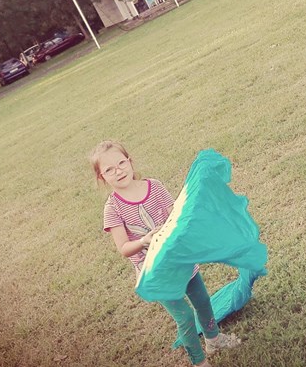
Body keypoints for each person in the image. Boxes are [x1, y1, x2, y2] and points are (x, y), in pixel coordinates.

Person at [91, 141, 240, 366]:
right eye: (109, 169)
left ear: (130, 161)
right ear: (101, 177)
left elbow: (176, 216)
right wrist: (144, 241)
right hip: (155, 273)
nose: (118, 171)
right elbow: (123, 248)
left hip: (180, 260)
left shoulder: (155, 187)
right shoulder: (113, 209)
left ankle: (214, 339)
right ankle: (199, 362)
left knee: (202, 301)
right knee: (185, 317)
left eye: (121, 163)